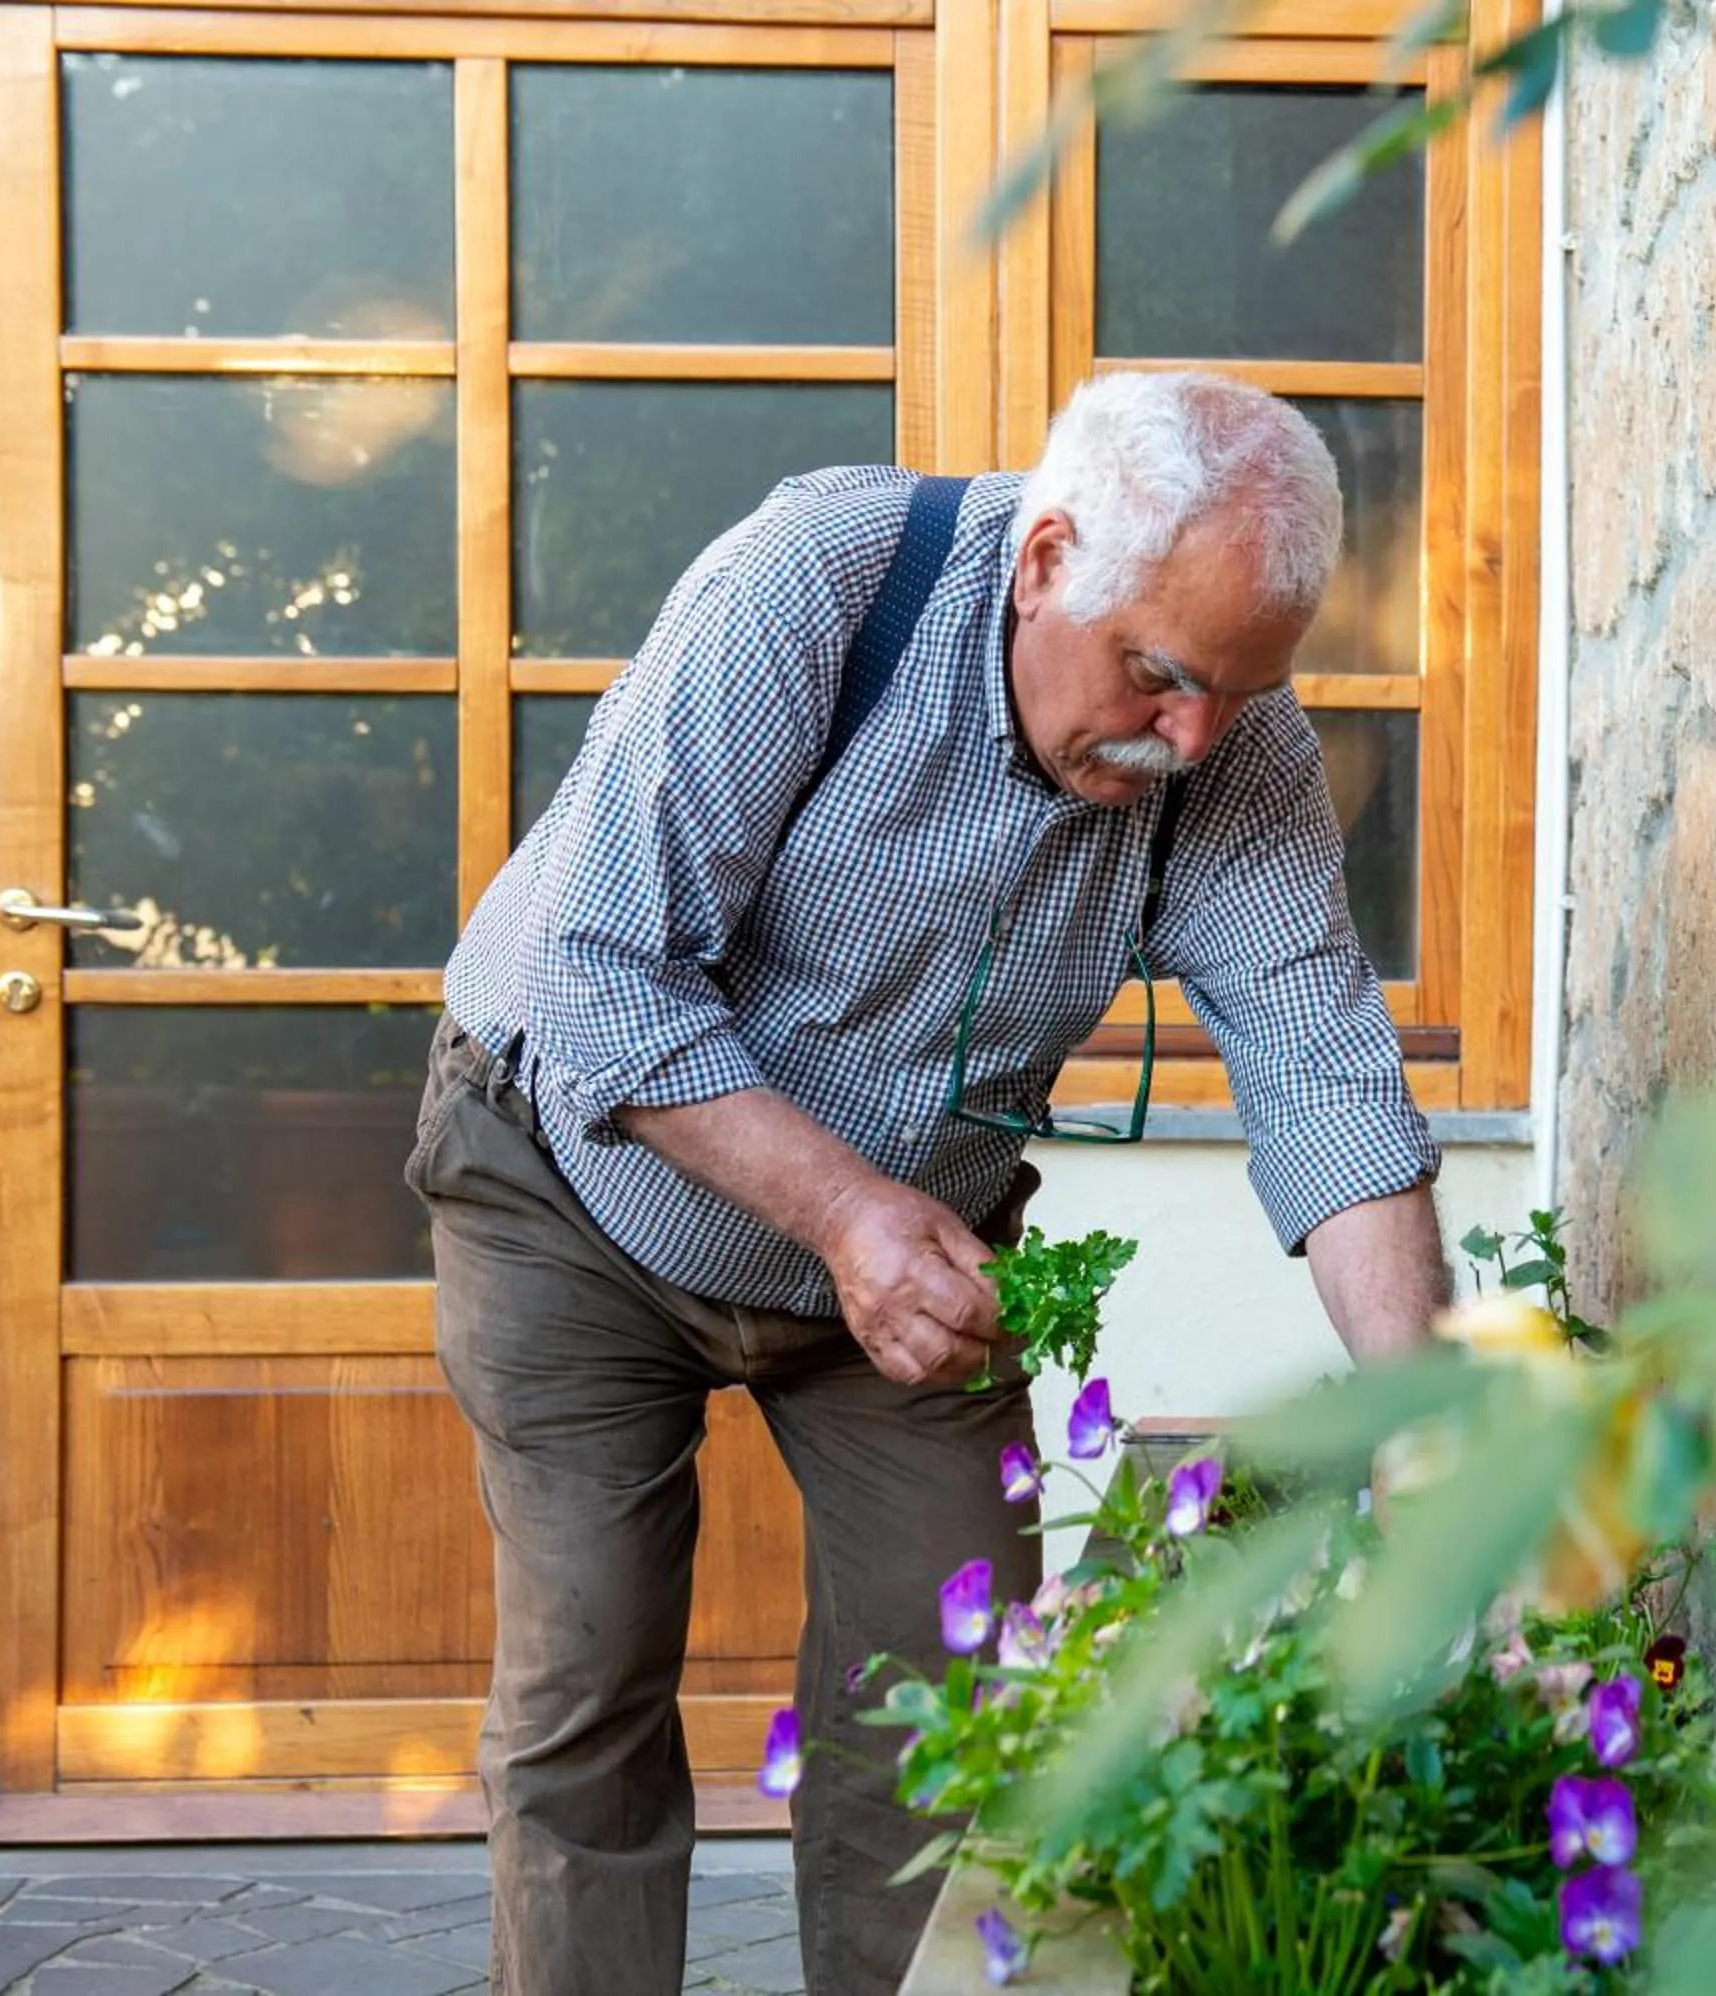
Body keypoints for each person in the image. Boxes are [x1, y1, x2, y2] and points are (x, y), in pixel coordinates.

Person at [406, 371, 1453, 1995]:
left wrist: (1420, 1409)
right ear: (1044, 562)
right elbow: (604, 977)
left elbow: (1316, 1058)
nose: (1191, 742)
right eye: (1161, 679)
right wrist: (841, 1214)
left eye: (1236, 698)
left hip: (913, 1250)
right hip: (577, 1192)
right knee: (586, 1696)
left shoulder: (1224, 745)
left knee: (958, 1709)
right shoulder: (817, 585)